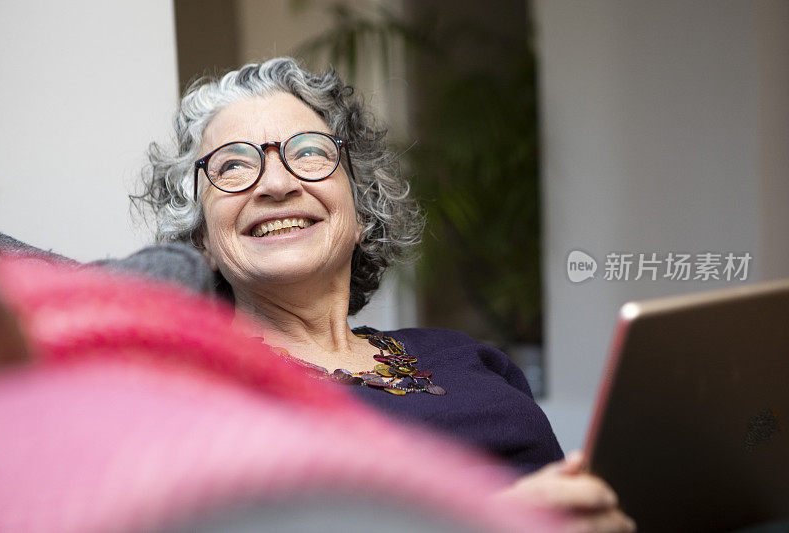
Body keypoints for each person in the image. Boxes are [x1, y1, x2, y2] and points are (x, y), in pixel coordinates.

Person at [129, 57, 633, 532]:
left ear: (362, 213)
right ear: (201, 239)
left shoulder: (467, 356)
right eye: (233, 165)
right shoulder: (194, 391)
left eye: (308, 152)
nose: (277, 183)